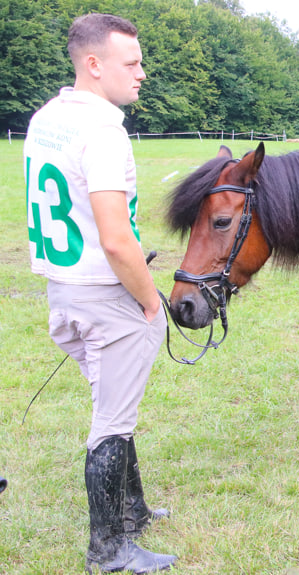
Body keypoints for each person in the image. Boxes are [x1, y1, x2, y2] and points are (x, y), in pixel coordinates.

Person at [24, 14, 176, 573]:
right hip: (103, 295)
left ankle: (131, 510)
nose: (142, 74)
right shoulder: (104, 129)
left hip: (61, 291)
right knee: (112, 422)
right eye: (131, 63)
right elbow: (116, 239)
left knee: (116, 408)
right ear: (94, 65)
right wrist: (150, 299)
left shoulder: (47, 118)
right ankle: (108, 550)